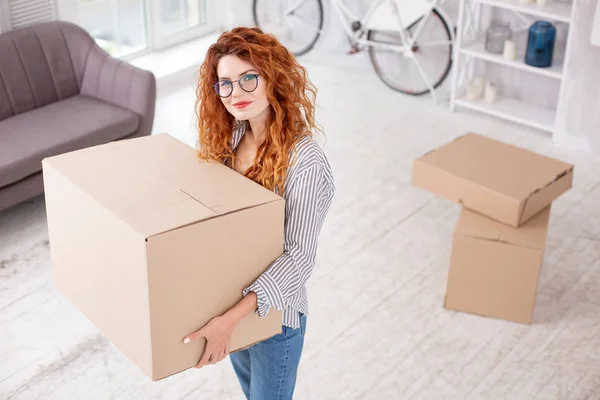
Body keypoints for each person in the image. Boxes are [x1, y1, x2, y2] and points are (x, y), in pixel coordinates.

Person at [181, 27, 335, 399]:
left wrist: (228, 321)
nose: (237, 93)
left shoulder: (305, 161)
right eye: (226, 84)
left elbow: (298, 259)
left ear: (273, 78)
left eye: (249, 78)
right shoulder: (229, 139)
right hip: (229, 305)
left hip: (274, 317)